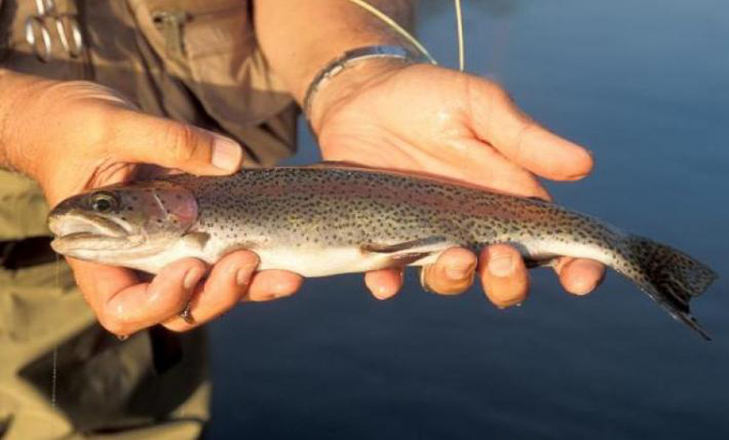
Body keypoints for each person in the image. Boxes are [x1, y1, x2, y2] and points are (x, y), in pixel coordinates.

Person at [0, 0, 605, 437]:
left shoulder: (155, 226)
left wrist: (357, 73)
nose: (104, 213)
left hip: (103, 240)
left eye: (110, 210)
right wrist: (23, 121)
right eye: (109, 212)